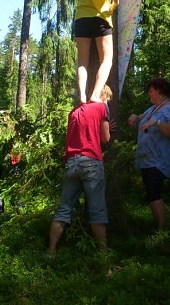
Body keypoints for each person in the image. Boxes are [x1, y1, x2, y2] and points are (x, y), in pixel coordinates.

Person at [48, 85, 113, 256]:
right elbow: (105, 138)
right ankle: (103, 253)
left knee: (63, 209)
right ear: (103, 95)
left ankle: (51, 250)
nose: (108, 102)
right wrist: (106, 127)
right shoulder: (101, 107)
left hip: (71, 162)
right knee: (97, 210)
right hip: (91, 161)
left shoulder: (74, 111)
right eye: (108, 99)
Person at [128, 78, 170, 230]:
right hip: (146, 160)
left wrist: (158, 123)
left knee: (154, 193)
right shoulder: (153, 108)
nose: (149, 94)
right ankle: (158, 227)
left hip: (159, 161)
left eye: (151, 91)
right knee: (150, 194)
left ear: (159, 91)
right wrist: (135, 116)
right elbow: (141, 117)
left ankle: (162, 230)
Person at [74, 0, 120, 104]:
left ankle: (81, 95)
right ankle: (94, 94)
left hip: (81, 19)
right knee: (107, 60)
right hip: (101, 20)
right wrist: (115, 2)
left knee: (82, 62)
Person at [0, 110, 21, 216]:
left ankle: (18, 212)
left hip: (12, 162)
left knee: (14, 187)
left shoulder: (13, 128)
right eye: (2, 117)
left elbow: (17, 144)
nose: (4, 119)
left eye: (6, 116)